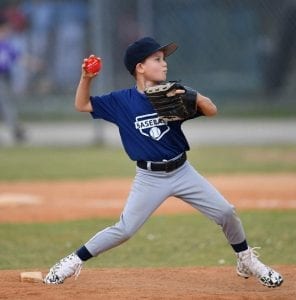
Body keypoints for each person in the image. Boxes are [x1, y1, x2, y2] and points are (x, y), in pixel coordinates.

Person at [43, 37, 283, 288]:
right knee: (124, 230)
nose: (164, 64)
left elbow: (212, 110)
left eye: (164, 59)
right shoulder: (121, 101)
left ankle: (246, 260)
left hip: (182, 171)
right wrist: (87, 78)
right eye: (157, 59)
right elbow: (82, 104)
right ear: (140, 67)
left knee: (225, 212)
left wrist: (192, 95)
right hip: (150, 178)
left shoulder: (172, 94)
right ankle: (71, 261)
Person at [0, 14, 25, 143]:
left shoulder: (6, 45)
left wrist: (34, 63)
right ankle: (15, 129)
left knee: (7, 103)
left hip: (5, 77)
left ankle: (15, 129)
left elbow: (18, 57)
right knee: (6, 104)